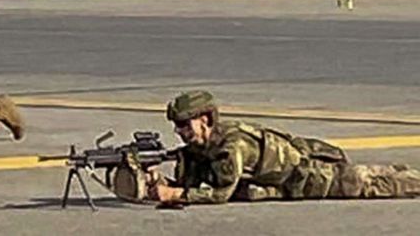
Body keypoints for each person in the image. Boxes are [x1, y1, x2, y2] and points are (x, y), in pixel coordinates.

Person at [147, 90, 420, 203]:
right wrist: (158, 180)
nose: (179, 132)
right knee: (380, 176)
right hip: (289, 172)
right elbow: (197, 176)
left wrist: (173, 193)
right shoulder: (206, 143)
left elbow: (219, 193)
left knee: (376, 181)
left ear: (205, 120)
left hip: (310, 177)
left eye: (184, 125)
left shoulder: (232, 146)